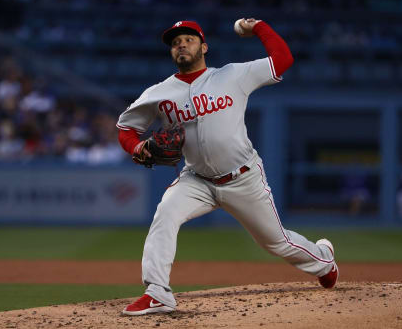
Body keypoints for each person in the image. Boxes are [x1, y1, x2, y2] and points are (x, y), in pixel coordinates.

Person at [116, 18, 339, 316]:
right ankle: (157, 292)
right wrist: (137, 147)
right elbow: (125, 129)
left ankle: (324, 259)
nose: (181, 44)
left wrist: (259, 26)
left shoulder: (233, 75)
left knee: (277, 242)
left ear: (203, 47)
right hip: (196, 180)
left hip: (243, 178)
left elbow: (283, 59)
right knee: (165, 213)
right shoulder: (159, 93)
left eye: (188, 39)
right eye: (175, 42)